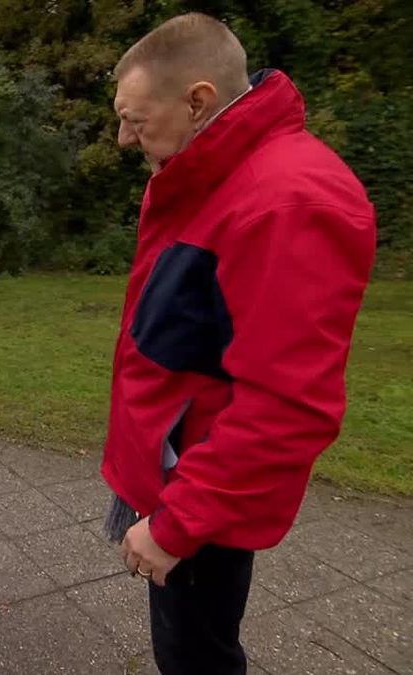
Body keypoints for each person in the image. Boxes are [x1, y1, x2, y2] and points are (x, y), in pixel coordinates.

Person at [101, 13, 376, 675]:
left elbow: (289, 407)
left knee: (196, 657)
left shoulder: (286, 200)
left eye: (136, 120)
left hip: (199, 495)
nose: (122, 138)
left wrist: (175, 525)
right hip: (173, 469)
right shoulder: (211, 173)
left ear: (198, 101)